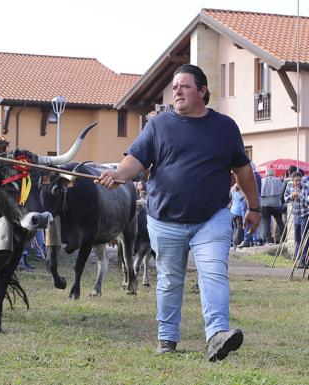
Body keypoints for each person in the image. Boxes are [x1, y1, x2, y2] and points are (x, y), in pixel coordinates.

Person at [96, 64, 259, 362]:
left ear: (202, 91)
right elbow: (136, 160)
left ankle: (217, 335)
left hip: (212, 219)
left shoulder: (225, 127)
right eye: (174, 87)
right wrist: (119, 174)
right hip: (165, 220)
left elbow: (243, 170)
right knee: (170, 279)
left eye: (184, 86)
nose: (177, 91)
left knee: (213, 274)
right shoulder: (159, 125)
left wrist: (254, 207)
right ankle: (167, 336)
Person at [284, 171, 309, 268]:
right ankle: (297, 258)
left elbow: (307, 202)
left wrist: (299, 195)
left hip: (305, 214)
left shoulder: (306, 187)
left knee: (304, 238)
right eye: (296, 181)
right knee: (297, 238)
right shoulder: (289, 185)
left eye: (299, 180)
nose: (298, 182)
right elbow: (285, 198)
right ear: (292, 180)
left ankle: (302, 260)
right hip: (296, 214)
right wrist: (292, 195)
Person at [261, 169, 285, 245]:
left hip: (264, 204)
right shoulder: (278, 180)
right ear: (273, 174)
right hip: (276, 203)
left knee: (266, 223)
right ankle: (285, 238)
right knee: (280, 221)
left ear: (266, 174)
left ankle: (268, 241)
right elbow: (281, 191)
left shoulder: (262, 180)